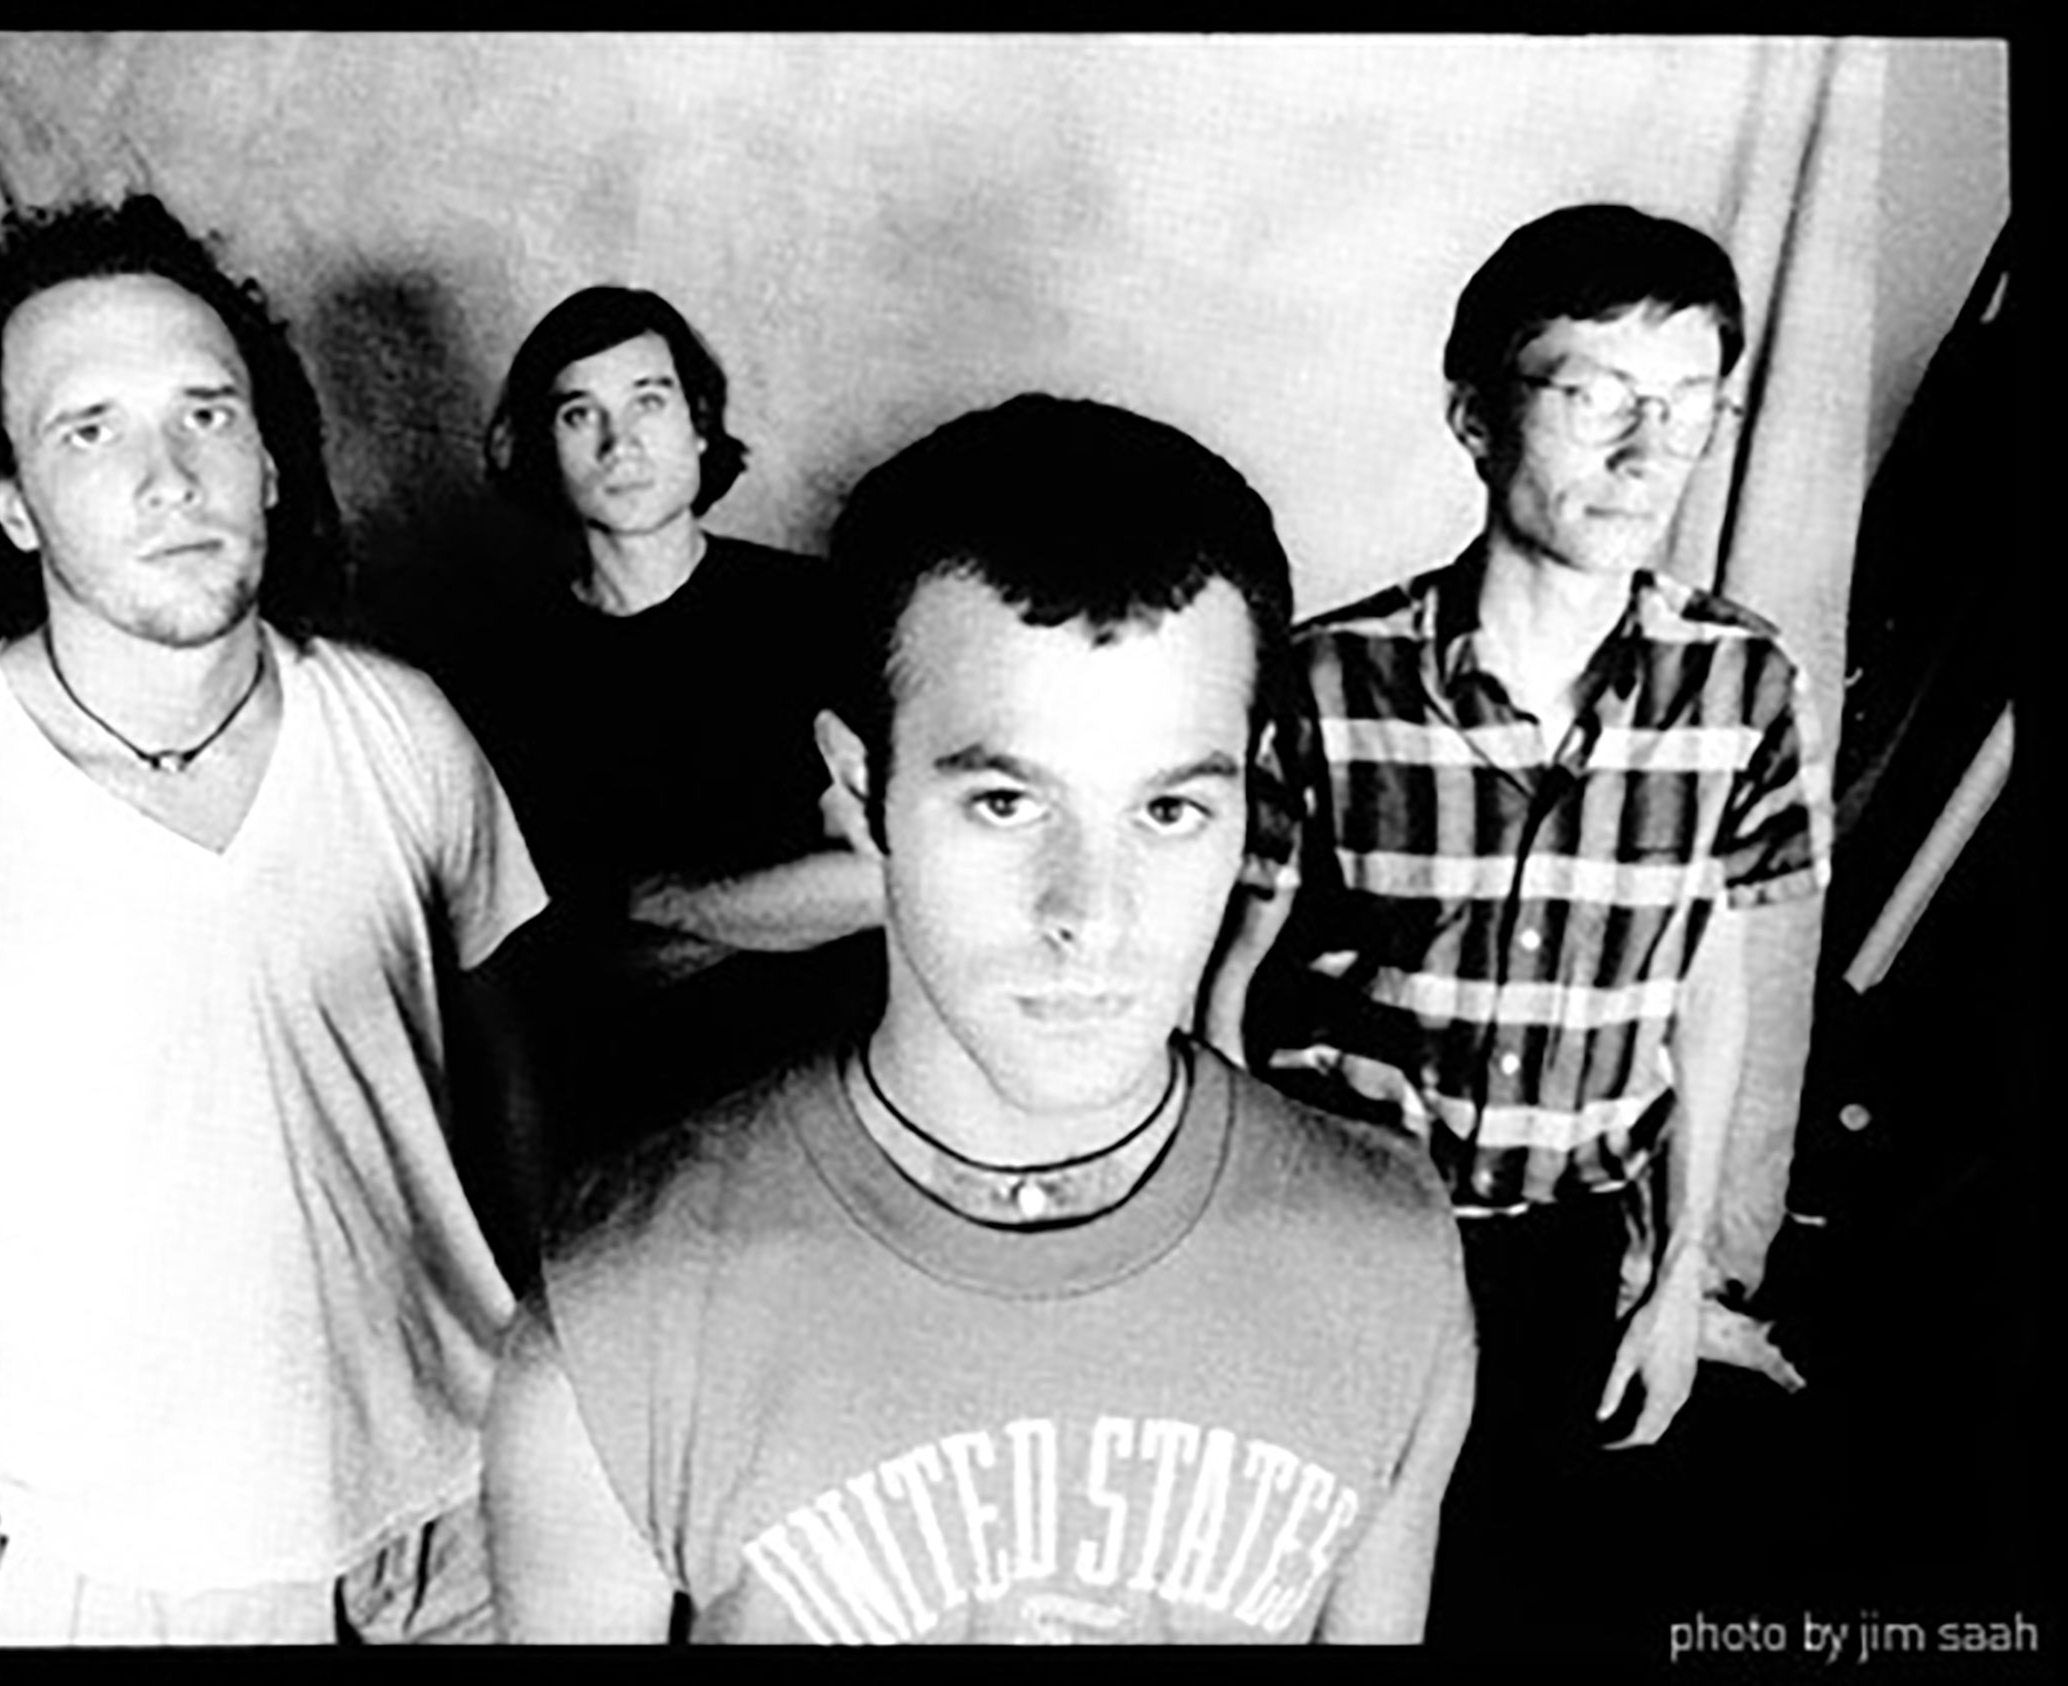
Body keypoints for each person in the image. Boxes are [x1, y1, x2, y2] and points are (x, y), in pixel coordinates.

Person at [484, 394, 1476, 1645]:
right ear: (861, 790)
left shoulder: (1389, 1254)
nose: (1092, 914)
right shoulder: (620, 1314)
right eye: (1005, 803)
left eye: (1169, 812)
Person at [0, 195, 547, 1647]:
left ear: (273, 459)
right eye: (88, 428)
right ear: (13, 502)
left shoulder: (401, 728)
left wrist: (557, 1399)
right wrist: (11, 1609)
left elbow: (512, 1079)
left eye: (207, 412)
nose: (169, 475)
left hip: (478, 1519)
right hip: (141, 1590)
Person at [1204, 203, 1832, 1642]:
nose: (1644, 451)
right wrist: (1230, 1237)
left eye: (1685, 407)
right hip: (1339, 1224)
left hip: (1563, 1254)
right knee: (1304, 1578)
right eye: (1593, 394)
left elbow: (1707, 988)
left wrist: (1677, 1275)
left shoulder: (1746, 688)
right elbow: (1230, 983)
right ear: (1475, 414)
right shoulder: (1325, 681)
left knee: (1505, 1588)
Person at [433, 285, 884, 1201]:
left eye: (649, 401)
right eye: (578, 413)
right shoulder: (493, 679)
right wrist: (785, 907)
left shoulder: (821, 617)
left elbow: (894, 886)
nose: (619, 441)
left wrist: (652, 897)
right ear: (541, 449)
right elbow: (556, 977)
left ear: (700, 426)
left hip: (845, 1118)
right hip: (629, 1149)